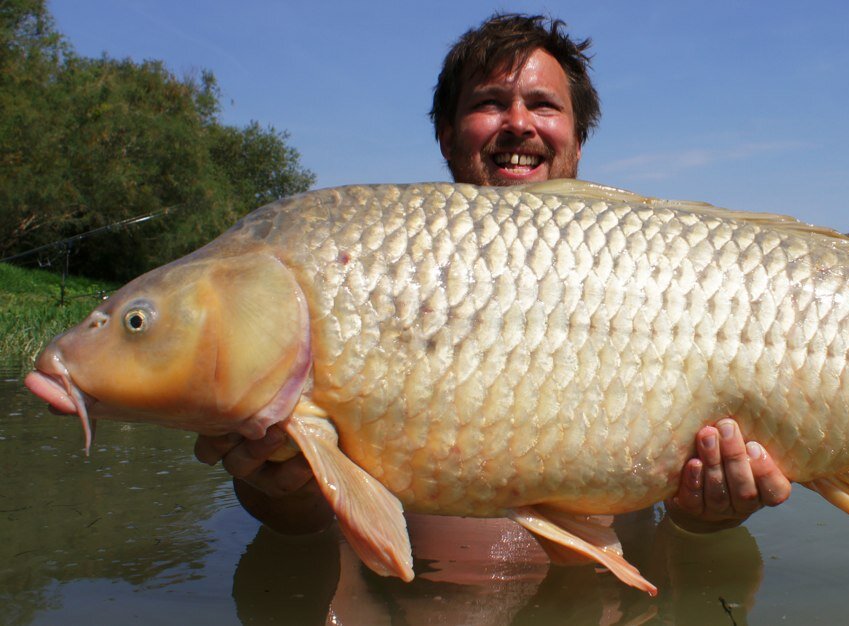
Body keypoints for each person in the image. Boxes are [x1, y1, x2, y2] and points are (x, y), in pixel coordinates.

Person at [195, 14, 791, 570]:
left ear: (578, 139)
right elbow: (301, 539)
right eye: (489, 103)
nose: (519, 124)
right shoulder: (372, 272)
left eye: (543, 105)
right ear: (447, 135)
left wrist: (700, 521)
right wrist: (281, 492)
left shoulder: (656, 282)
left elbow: (684, 555)